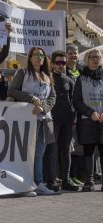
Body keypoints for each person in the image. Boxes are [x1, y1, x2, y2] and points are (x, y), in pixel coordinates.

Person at [7, 47, 57, 196]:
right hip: (25, 120)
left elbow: (52, 98)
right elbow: (12, 91)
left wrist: (42, 107)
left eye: (41, 55)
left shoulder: (47, 75)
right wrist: (30, 98)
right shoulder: (23, 72)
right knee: (24, 153)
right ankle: (25, 184)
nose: (38, 57)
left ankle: (38, 183)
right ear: (29, 58)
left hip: (43, 120)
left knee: (39, 154)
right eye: (35, 55)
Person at [47, 50, 78, 191]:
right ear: (53, 64)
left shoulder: (69, 80)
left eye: (63, 63)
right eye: (58, 62)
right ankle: (52, 180)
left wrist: (74, 121)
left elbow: (74, 102)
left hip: (67, 120)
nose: (61, 65)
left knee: (66, 150)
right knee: (52, 149)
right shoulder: (47, 78)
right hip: (52, 120)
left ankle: (66, 179)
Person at [73, 49, 103, 192]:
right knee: (88, 152)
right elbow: (76, 101)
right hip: (87, 120)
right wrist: (90, 113)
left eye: (98, 57)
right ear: (87, 59)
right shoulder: (81, 79)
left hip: (102, 120)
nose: (95, 60)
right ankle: (89, 181)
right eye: (93, 57)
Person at [65, 44, 84, 186]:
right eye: (70, 53)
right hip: (69, 113)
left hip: (83, 112)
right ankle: (69, 176)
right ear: (66, 55)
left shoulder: (81, 70)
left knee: (80, 145)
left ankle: (79, 175)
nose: (73, 55)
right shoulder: (63, 71)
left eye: (75, 53)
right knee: (69, 145)